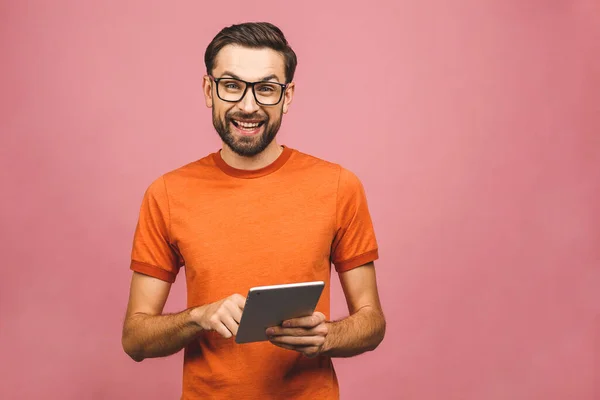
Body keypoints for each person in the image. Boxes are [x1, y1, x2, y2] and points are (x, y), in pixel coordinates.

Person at [121, 21, 386, 399]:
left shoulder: (340, 186)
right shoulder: (166, 194)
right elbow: (135, 339)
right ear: (208, 90)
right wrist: (198, 317)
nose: (248, 106)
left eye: (266, 89)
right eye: (231, 85)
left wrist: (329, 335)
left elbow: (372, 321)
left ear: (288, 96)